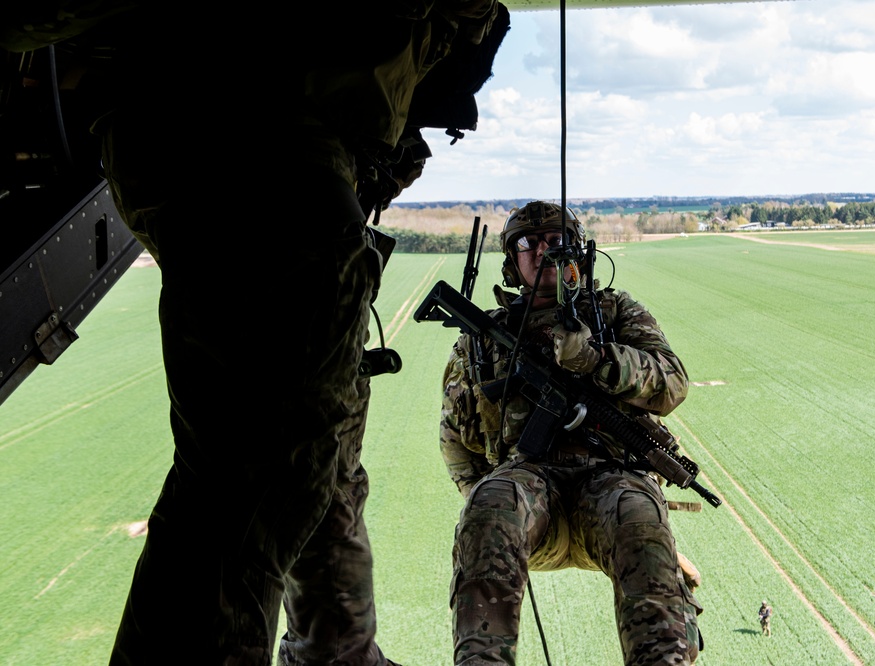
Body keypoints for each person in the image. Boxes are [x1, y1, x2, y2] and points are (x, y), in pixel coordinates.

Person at [4, 2, 507, 664]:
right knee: (252, 491)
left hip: (255, 140)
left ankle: (336, 649)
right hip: (258, 142)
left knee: (276, 477)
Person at [440, 201, 701, 665]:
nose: (542, 251)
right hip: (529, 489)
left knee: (638, 514)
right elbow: (455, 437)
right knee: (490, 504)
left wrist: (597, 360)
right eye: (528, 243)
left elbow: (672, 382)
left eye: (556, 242)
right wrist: (488, 502)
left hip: (610, 479)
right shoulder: (483, 336)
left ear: (579, 254)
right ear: (511, 260)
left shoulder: (614, 313)